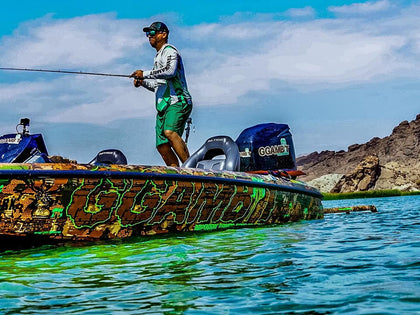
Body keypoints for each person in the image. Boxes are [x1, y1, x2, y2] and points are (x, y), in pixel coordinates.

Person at [131, 22, 193, 167]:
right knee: (162, 146)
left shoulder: (170, 51)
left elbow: (170, 71)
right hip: (163, 106)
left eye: (152, 33)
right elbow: (159, 85)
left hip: (178, 101)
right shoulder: (157, 57)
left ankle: (193, 171)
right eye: (148, 34)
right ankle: (176, 176)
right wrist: (143, 82)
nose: (149, 37)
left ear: (163, 34)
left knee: (170, 132)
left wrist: (144, 74)